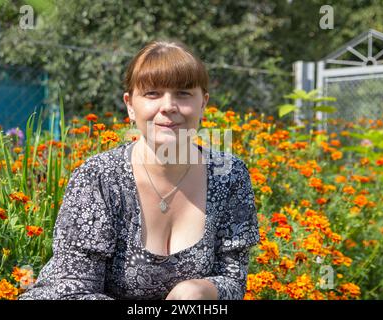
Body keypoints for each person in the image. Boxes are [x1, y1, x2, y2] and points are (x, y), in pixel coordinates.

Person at [18, 40, 259, 300]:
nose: (168, 106)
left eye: (183, 93)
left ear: (203, 104)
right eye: (152, 93)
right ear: (130, 105)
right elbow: (73, 291)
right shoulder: (98, 178)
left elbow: (233, 279)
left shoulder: (229, 174)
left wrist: (199, 291)